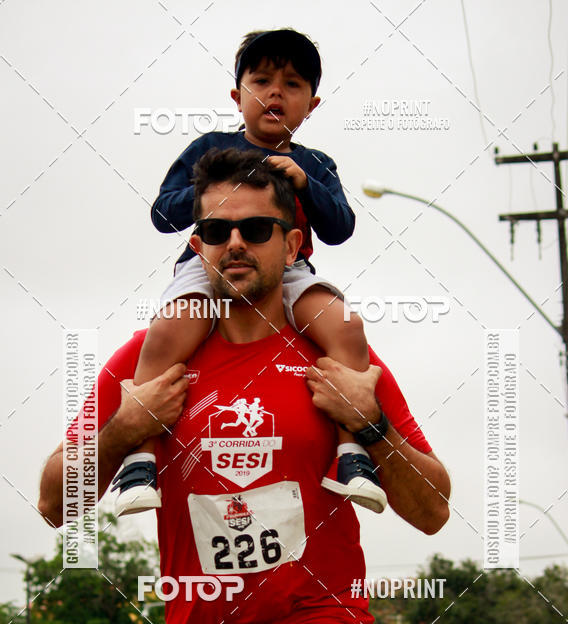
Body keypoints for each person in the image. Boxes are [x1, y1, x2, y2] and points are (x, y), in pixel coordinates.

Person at [38, 149, 451, 624]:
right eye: (215, 230)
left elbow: (434, 510)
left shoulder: (335, 355)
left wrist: (372, 427)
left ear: (292, 245)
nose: (235, 243)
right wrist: (124, 430)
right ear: (195, 246)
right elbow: (52, 502)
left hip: (314, 623)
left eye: (256, 229)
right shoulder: (148, 361)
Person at [114, 27, 387, 518]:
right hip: (210, 262)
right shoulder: (209, 147)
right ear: (238, 97)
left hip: (288, 268)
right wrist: (223, 184)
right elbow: (162, 213)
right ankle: (140, 460)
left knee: (346, 326)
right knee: (167, 330)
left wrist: (306, 185)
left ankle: (352, 456)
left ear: (312, 105)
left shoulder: (316, 163)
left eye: (292, 84)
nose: (275, 93)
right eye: (261, 81)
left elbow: (341, 228)